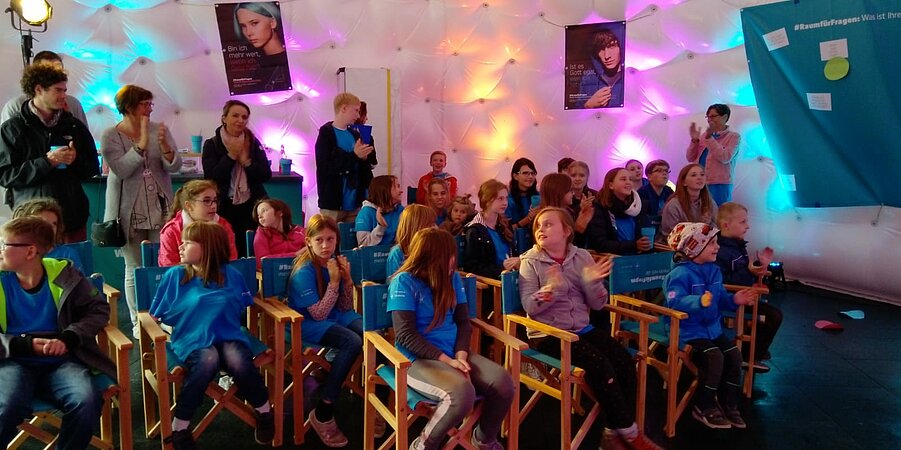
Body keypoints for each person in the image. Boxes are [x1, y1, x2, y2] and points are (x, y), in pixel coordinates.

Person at [518, 208, 662, 450]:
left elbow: (597, 304)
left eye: (548, 224)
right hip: (548, 334)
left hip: (582, 329)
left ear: (567, 231)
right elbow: (529, 306)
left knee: (625, 363)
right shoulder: (529, 262)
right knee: (601, 365)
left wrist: (591, 283)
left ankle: (612, 433)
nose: (540, 229)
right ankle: (630, 433)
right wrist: (552, 289)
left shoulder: (582, 257)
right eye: (538, 226)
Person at [149, 221, 274, 449]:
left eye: (187, 242)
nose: (180, 246)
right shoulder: (175, 275)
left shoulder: (232, 275)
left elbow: (244, 304)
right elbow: (155, 314)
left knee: (238, 359)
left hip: (228, 335)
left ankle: (264, 411)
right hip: (192, 339)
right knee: (208, 359)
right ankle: (180, 426)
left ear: (207, 247)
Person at [388, 228, 515, 450]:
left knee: (503, 382)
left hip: (454, 353)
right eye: (449, 255)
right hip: (415, 360)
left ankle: (484, 440)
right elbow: (405, 335)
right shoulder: (403, 282)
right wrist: (448, 362)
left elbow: (464, 322)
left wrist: (461, 356)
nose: (453, 260)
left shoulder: (453, 278)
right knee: (462, 394)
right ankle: (423, 445)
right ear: (431, 257)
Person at [0, 216, 115, 450]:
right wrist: (24, 345)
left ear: (30, 251)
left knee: (86, 400)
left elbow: (98, 310)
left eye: (4, 244)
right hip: (12, 360)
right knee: (6, 405)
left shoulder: (65, 274)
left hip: (61, 361)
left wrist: (69, 337)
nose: (0, 250)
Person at [101, 84, 182, 338]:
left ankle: (163, 316)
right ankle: (139, 320)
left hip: (160, 207)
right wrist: (141, 144)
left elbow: (175, 166)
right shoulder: (111, 135)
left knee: (162, 264)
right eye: (144, 104)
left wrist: (165, 147)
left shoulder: (159, 129)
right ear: (128, 107)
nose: (149, 109)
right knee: (134, 268)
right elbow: (122, 170)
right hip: (128, 212)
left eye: (150, 104)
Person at [663, 222, 756, 430]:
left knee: (734, 356)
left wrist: (734, 300)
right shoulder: (679, 274)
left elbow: (720, 297)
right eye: (712, 243)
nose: (717, 247)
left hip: (712, 329)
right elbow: (674, 301)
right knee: (715, 357)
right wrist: (698, 301)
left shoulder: (714, 271)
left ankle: (728, 403)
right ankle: (703, 405)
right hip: (687, 331)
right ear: (694, 248)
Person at [0, 63, 99, 243]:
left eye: (65, 90)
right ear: (38, 89)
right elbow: (5, 175)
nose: (64, 95)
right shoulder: (13, 128)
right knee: (34, 261)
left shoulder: (74, 126)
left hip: (71, 220)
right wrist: (47, 162)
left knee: (73, 261)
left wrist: (75, 160)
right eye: (58, 90)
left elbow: (92, 168)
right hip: (31, 222)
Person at [287, 214, 362, 448]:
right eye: (319, 240)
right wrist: (334, 282)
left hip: (335, 315)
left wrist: (347, 280)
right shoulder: (303, 271)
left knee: (372, 334)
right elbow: (318, 314)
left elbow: (345, 307)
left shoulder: (334, 262)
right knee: (352, 342)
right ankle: (323, 410)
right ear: (308, 241)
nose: (325, 245)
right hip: (307, 323)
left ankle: (372, 398)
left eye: (330, 239)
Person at [715, 202, 782, 373]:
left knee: (773, 315)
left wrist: (759, 266)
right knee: (773, 316)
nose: (748, 226)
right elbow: (722, 281)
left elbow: (743, 272)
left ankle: (753, 350)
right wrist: (750, 271)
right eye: (743, 222)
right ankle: (747, 355)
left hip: (741, 295)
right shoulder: (719, 250)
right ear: (726, 225)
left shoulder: (737, 246)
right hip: (730, 298)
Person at [203, 100, 272, 258]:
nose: (240, 120)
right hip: (223, 205)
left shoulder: (252, 142)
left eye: (244, 117)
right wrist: (231, 156)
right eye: (235, 116)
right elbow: (211, 178)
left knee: (251, 249)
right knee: (226, 250)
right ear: (224, 118)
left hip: (252, 205)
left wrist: (247, 162)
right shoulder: (212, 144)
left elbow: (265, 175)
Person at [315, 92, 377, 224]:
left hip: (355, 204)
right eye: (356, 110)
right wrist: (355, 155)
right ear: (344, 108)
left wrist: (364, 159)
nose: (358, 116)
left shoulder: (355, 135)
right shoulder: (326, 134)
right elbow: (326, 167)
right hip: (332, 205)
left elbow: (363, 167)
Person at [158, 180, 238, 267]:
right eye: (206, 201)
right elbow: (168, 267)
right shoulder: (171, 231)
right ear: (189, 206)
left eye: (215, 200)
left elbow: (231, 261)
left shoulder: (223, 226)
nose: (214, 206)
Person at [0, 51, 87, 126]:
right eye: (47, 71)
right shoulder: (15, 107)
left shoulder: (73, 104)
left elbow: (83, 136)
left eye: (59, 70)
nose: (54, 75)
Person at [585, 168, 652, 255]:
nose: (628, 182)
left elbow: (646, 231)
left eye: (630, 179)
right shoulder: (599, 207)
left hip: (638, 257)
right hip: (612, 259)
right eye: (623, 179)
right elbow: (599, 243)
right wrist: (634, 245)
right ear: (611, 185)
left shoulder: (638, 206)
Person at [463, 180, 518, 279]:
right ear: (487, 200)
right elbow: (472, 268)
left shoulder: (504, 225)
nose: (505, 203)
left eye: (506, 198)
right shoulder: (474, 231)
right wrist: (501, 267)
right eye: (500, 199)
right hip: (492, 283)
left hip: (510, 277)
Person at [687, 104, 741, 205]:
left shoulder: (733, 137)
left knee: (719, 212)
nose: (709, 120)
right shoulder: (704, 136)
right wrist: (694, 140)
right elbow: (690, 158)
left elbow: (725, 157)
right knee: (699, 211)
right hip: (700, 182)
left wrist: (709, 139)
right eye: (708, 117)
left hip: (719, 184)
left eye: (713, 116)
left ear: (724, 117)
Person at [11, 198, 84, 272]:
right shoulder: (15, 254)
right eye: (43, 222)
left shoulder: (67, 254)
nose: (50, 228)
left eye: (54, 224)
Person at [232, 2, 290, 92]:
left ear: (272, 23)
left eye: (254, 23)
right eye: (243, 26)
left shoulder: (291, 60)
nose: (248, 33)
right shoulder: (254, 65)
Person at [659, 164, 718, 246]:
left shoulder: (709, 202)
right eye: (694, 175)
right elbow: (670, 236)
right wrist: (700, 227)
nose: (699, 178)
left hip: (707, 244)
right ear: (684, 182)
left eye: (702, 174)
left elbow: (717, 227)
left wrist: (708, 227)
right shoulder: (673, 205)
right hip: (679, 247)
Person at [578, 27, 624, 109]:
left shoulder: (632, 76)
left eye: (611, 46)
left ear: (621, 47)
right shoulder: (589, 77)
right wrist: (588, 106)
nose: (607, 56)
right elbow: (574, 114)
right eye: (601, 49)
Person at [252, 198, 305, 269]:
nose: (260, 216)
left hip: (301, 269)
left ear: (280, 212)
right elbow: (262, 261)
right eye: (258, 215)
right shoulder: (261, 233)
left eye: (264, 211)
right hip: (276, 272)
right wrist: (295, 255)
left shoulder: (300, 231)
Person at [386, 204, 437, 277]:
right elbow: (395, 282)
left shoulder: (432, 248)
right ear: (417, 226)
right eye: (430, 224)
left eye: (434, 224)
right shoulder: (397, 253)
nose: (435, 228)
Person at [355, 175, 404, 247]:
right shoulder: (366, 213)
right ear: (385, 190)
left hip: (396, 253)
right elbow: (363, 245)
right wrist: (381, 226)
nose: (401, 191)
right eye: (397, 186)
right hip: (374, 254)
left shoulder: (400, 210)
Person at [637, 159, 674, 228]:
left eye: (666, 171)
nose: (664, 173)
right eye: (659, 170)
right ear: (649, 176)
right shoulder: (642, 193)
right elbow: (642, 219)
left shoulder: (669, 191)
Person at [567, 160, 596, 245]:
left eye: (582, 175)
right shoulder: (564, 197)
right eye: (573, 175)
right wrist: (580, 208)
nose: (577, 179)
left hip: (594, 242)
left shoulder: (595, 195)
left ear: (587, 177)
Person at [505, 158, 539, 231]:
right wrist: (527, 219)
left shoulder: (538, 197)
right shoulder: (508, 199)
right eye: (525, 173)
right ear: (515, 176)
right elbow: (505, 231)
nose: (530, 176)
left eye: (533, 173)